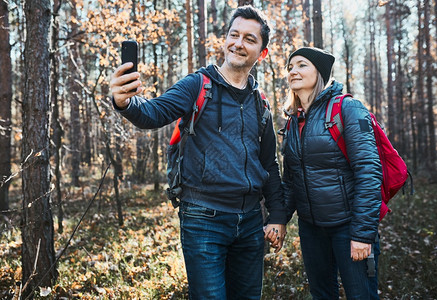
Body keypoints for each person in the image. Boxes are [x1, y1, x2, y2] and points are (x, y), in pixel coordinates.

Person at [110, 5, 286, 299]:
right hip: (204, 219)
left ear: (262, 53)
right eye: (234, 35)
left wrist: (277, 215)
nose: (239, 43)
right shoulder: (198, 85)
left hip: (252, 221)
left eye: (250, 39)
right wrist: (125, 102)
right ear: (225, 39)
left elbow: (269, 163)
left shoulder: (261, 103)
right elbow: (153, 113)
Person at [281, 47, 383, 299]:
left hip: (348, 226)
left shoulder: (348, 108)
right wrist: (278, 219)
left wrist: (362, 233)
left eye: (301, 65)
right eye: (290, 67)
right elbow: (291, 180)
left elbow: (369, 172)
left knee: (361, 295)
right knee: (322, 295)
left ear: (320, 72)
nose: (293, 70)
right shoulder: (293, 120)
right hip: (311, 229)